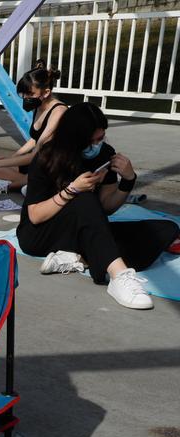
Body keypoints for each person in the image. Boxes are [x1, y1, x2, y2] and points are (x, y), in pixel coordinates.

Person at [18, 103, 178, 310]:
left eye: (100, 138)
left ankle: (80, 258)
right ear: (74, 139)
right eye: (91, 141)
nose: (96, 145)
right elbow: (35, 216)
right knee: (84, 199)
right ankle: (118, 276)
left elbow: (107, 207)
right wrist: (71, 190)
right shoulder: (47, 158)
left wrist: (128, 179)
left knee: (165, 230)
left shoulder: (104, 154)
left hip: (84, 230)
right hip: (40, 233)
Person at [0, 62, 67, 190]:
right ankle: (26, 183)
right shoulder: (39, 106)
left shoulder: (59, 112)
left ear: (46, 93)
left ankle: (12, 185)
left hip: (52, 165)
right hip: (36, 162)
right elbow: (35, 139)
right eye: (24, 94)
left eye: (30, 94)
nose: (26, 98)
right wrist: (13, 156)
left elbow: (36, 155)